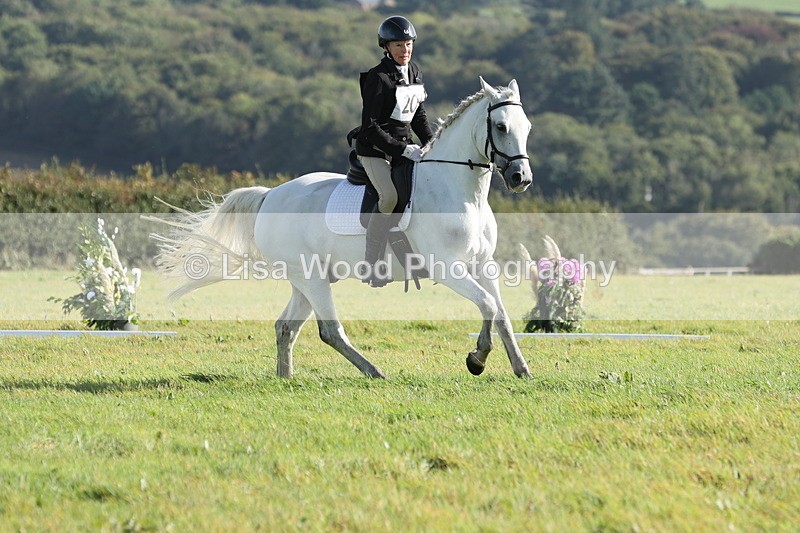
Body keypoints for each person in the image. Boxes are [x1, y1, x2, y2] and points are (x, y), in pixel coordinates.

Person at [355, 15, 434, 287]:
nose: (405, 50)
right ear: (386, 47)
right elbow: (370, 127)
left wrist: (431, 144)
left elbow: (418, 117)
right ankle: (371, 264)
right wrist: (402, 150)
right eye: (399, 45)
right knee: (388, 197)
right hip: (374, 149)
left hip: (404, 147)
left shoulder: (415, 72)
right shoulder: (377, 78)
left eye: (409, 44)